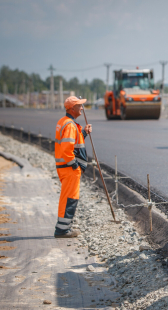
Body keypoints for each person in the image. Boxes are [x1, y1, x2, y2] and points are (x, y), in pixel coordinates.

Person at [54, 96, 92, 238]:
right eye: (79, 106)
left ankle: (63, 227)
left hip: (65, 167)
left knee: (67, 197)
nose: (82, 108)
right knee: (70, 198)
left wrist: (84, 133)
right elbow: (66, 149)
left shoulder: (64, 122)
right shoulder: (69, 125)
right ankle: (63, 230)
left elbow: (73, 142)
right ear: (72, 108)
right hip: (69, 168)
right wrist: (74, 165)